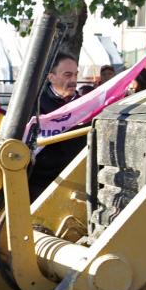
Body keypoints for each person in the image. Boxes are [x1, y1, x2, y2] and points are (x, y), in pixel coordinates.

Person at [28, 52, 84, 201]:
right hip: (39, 186)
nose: (73, 80)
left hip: (76, 183)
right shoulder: (34, 105)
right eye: (67, 75)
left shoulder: (85, 105)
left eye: (75, 75)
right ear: (50, 77)